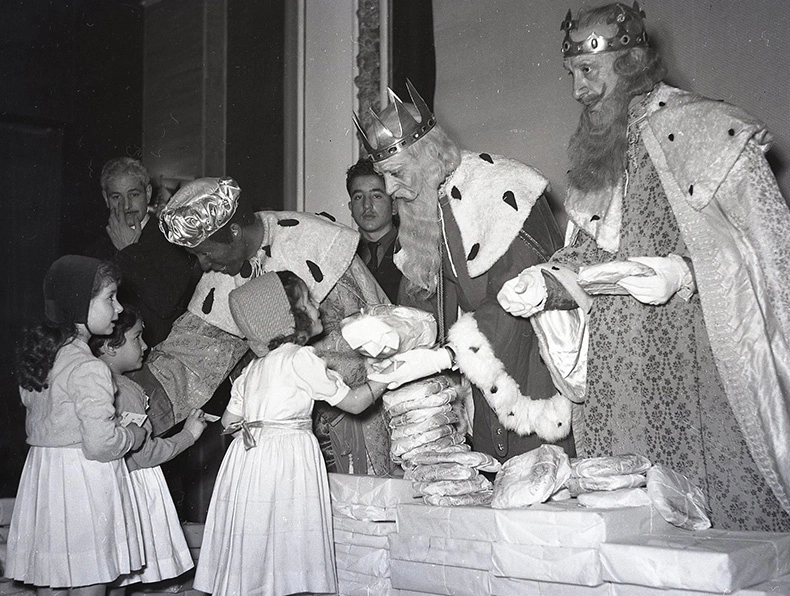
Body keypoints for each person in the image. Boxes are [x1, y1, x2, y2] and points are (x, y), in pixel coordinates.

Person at [497, 2, 790, 531]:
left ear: (630, 61)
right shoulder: (597, 153)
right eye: (572, 74)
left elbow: (765, 256)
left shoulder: (704, 128)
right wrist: (544, 283)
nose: (578, 91)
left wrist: (682, 274)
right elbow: (586, 259)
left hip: (697, 368)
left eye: (588, 71)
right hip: (618, 378)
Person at [354, 81, 576, 462]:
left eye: (395, 173)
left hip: (532, 370)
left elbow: (521, 296)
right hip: (480, 377)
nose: (389, 189)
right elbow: (428, 298)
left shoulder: (500, 187)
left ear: (427, 157)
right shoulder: (427, 204)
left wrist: (446, 356)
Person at [139, 176, 394, 476]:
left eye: (206, 253)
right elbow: (185, 362)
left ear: (234, 232)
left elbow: (384, 331)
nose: (204, 266)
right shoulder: (220, 276)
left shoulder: (318, 244)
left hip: (357, 427)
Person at [194, 271, 388, 596]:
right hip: (288, 459)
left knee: (258, 538)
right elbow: (354, 403)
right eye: (309, 301)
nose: (318, 309)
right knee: (290, 540)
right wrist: (387, 376)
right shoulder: (301, 359)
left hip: (249, 461)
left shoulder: (252, 369)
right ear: (290, 316)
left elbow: (228, 423)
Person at [7, 255, 148, 594]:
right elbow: (100, 443)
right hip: (82, 482)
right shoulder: (89, 367)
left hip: (46, 480)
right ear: (78, 304)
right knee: (89, 577)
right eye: (109, 298)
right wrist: (132, 435)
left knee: (52, 578)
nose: (117, 309)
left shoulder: (44, 358)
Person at [89, 305, 207, 590]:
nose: (146, 345)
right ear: (109, 347)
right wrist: (189, 435)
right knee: (123, 571)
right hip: (133, 486)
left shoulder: (98, 384)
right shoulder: (125, 390)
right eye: (137, 338)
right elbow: (147, 454)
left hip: (103, 485)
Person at [84, 157, 199, 347]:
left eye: (133, 194)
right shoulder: (94, 249)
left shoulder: (174, 240)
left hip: (158, 355)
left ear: (147, 192)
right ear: (105, 198)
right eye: (116, 197)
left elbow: (165, 303)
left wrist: (129, 251)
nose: (126, 206)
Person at [346, 158, 403, 303]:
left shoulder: (413, 251)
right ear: (351, 208)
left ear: (395, 206)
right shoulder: (344, 255)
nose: (367, 205)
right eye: (358, 197)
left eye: (376, 196)